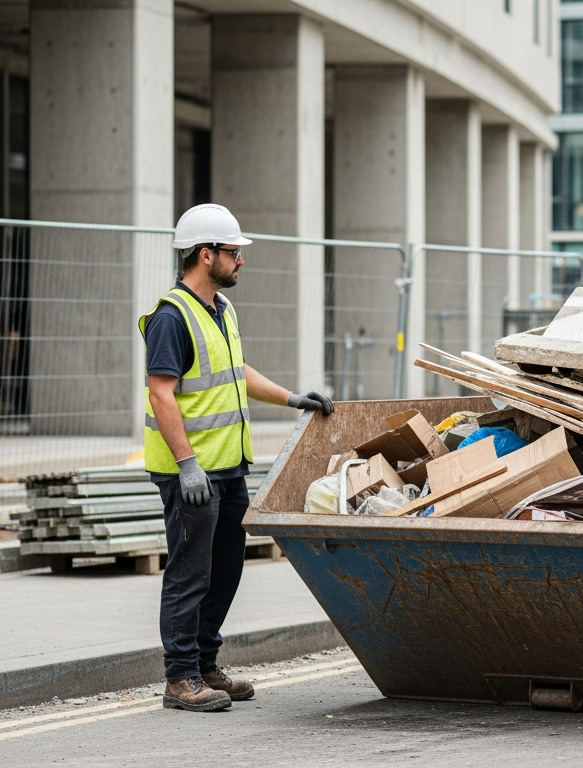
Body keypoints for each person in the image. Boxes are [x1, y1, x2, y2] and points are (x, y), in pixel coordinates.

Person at [140, 204, 334, 712]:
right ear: (206, 255)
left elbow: (236, 372)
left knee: (225, 570)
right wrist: (186, 464)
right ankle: (179, 678)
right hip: (192, 475)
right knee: (189, 574)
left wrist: (293, 399)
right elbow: (162, 394)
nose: (240, 261)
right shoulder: (170, 317)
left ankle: (204, 665)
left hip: (227, 470)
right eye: (233, 252)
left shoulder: (221, 311)